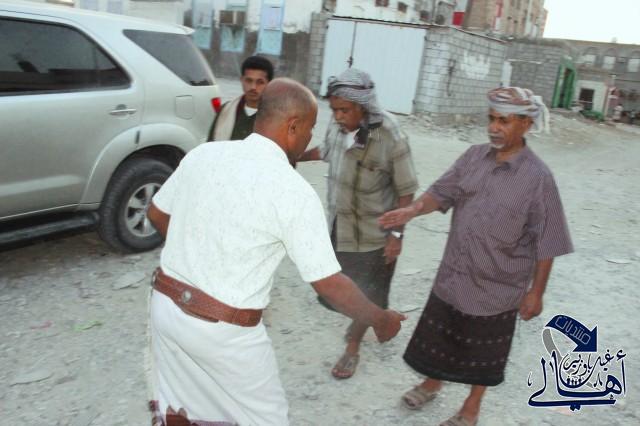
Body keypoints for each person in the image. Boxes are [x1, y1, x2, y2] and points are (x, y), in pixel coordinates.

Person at [146, 78, 407, 426]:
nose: (310, 138)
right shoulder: (293, 191)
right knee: (267, 418)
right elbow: (329, 283)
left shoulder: (204, 154)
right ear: (293, 126)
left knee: (183, 408)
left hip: (165, 307)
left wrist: (200, 251)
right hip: (224, 333)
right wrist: (381, 319)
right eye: (310, 129)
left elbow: (157, 213)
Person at [379, 87, 573, 426]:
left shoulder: (538, 178)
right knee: (442, 335)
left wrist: (536, 292)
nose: (494, 127)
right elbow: (441, 193)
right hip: (455, 275)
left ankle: (471, 407)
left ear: (526, 124)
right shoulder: (473, 157)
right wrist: (412, 210)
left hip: (496, 288)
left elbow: (548, 239)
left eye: (504, 121)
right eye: (491, 119)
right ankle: (432, 382)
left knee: (484, 353)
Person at [298, 68, 418, 379]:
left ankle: (353, 346)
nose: (338, 116)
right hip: (341, 226)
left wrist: (396, 234)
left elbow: (406, 190)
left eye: (344, 110)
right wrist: (293, 155)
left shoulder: (389, 134)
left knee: (368, 292)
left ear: (363, 107)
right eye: (334, 109)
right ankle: (376, 319)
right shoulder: (338, 126)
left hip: (375, 233)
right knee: (339, 290)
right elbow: (326, 151)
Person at [208, 55, 274, 141]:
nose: (253, 87)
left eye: (260, 82)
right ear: (242, 80)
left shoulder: (276, 117)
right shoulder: (225, 111)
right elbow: (210, 145)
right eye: (249, 80)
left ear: (269, 84)